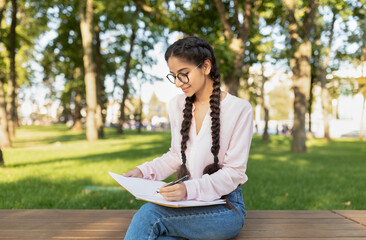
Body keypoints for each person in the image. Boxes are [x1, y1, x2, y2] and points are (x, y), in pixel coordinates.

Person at [123, 36, 253, 240]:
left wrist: (187, 189)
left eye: (183, 74)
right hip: (186, 206)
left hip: (226, 208)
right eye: (173, 76)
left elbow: (234, 173)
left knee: (150, 215)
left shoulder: (239, 109)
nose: (177, 83)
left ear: (206, 67)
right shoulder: (176, 105)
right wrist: (143, 172)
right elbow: (176, 156)